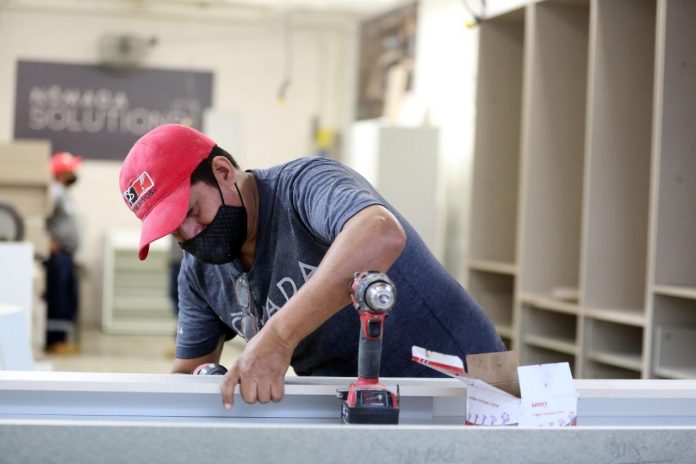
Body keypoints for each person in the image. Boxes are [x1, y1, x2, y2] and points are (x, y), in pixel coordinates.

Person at [118, 124, 504, 409]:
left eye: (191, 211)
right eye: (173, 229)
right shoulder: (199, 273)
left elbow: (381, 232)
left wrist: (276, 339)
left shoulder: (304, 184)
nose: (191, 234)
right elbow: (189, 373)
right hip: (364, 407)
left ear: (222, 171)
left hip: (474, 384)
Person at [44, 151, 82, 354]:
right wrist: (49, 240)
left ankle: (62, 339)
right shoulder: (55, 192)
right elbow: (44, 217)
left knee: (68, 297)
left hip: (67, 254)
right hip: (58, 256)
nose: (75, 173)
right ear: (61, 173)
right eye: (71, 170)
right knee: (57, 296)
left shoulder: (64, 193)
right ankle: (54, 340)